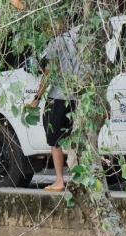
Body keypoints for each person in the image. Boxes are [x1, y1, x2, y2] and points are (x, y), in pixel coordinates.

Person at [30, 22, 81, 193]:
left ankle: (60, 180)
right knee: (74, 138)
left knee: (55, 140)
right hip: (78, 97)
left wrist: (37, 97)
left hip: (58, 97)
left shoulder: (57, 42)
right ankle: (78, 179)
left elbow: (48, 73)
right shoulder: (81, 39)